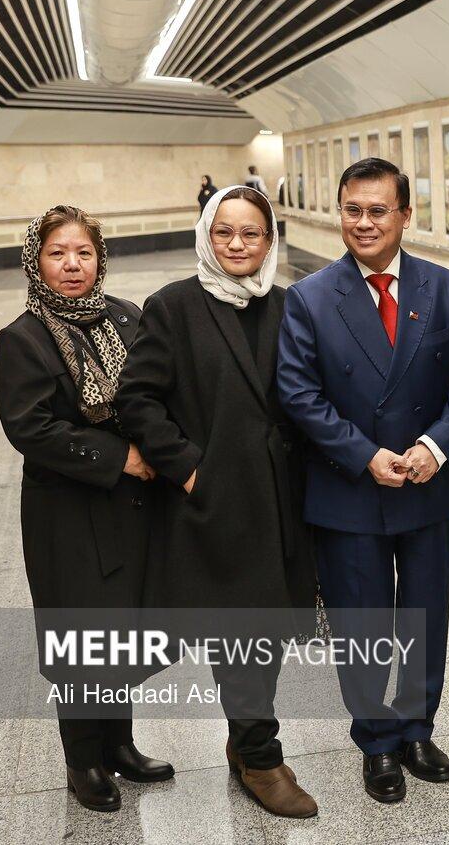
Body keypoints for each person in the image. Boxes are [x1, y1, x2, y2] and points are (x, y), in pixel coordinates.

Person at [276, 157, 449, 803]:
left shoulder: (443, 288)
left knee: (425, 615)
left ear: (405, 215)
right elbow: (299, 392)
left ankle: (418, 728)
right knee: (361, 624)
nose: (363, 223)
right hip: (349, 490)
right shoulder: (310, 298)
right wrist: (364, 454)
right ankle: (376, 740)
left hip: (427, 484)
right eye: (352, 210)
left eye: (377, 210)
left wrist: (434, 446)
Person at [117, 185, 318, 818]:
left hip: (282, 498)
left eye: (250, 233)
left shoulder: (287, 305)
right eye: (224, 232)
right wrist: (188, 470)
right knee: (241, 628)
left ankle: (245, 740)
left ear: (270, 239)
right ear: (206, 236)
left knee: (270, 629)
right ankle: (260, 755)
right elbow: (137, 398)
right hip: (217, 499)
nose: (236, 244)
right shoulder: (173, 306)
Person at [0, 205, 174, 812]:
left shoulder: (126, 318)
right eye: (57, 254)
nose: (72, 265)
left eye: (84, 253)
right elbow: (31, 428)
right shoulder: (22, 339)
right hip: (68, 512)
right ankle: (83, 760)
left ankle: (119, 744)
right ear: (36, 262)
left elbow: (155, 391)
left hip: (131, 508)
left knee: (123, 630)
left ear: (100, 259)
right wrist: (120, 456)